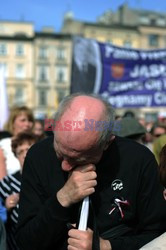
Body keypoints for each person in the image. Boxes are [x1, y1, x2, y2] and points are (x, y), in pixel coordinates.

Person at [16, 93, 166, 250]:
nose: (65, 166)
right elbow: (26, 241)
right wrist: (62, 199)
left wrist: (106, 246)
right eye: (60, 153)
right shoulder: (38, 156)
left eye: (78, 158)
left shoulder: (138, 160)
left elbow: (158, 236)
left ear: (106, 142)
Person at [0, 132, 37, 250]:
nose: (25, 154)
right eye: (20, 151)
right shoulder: (6, 183)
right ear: (16, 155)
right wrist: (5, 206)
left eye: (28, 149)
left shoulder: (45, 179)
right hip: (15, 244)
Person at [0, 106, 34, 179]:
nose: (27, 124)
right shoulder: (4, 145)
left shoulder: (38, 144)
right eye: (23, 120)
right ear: (13, 123)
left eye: (30, 120)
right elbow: (2, 180)